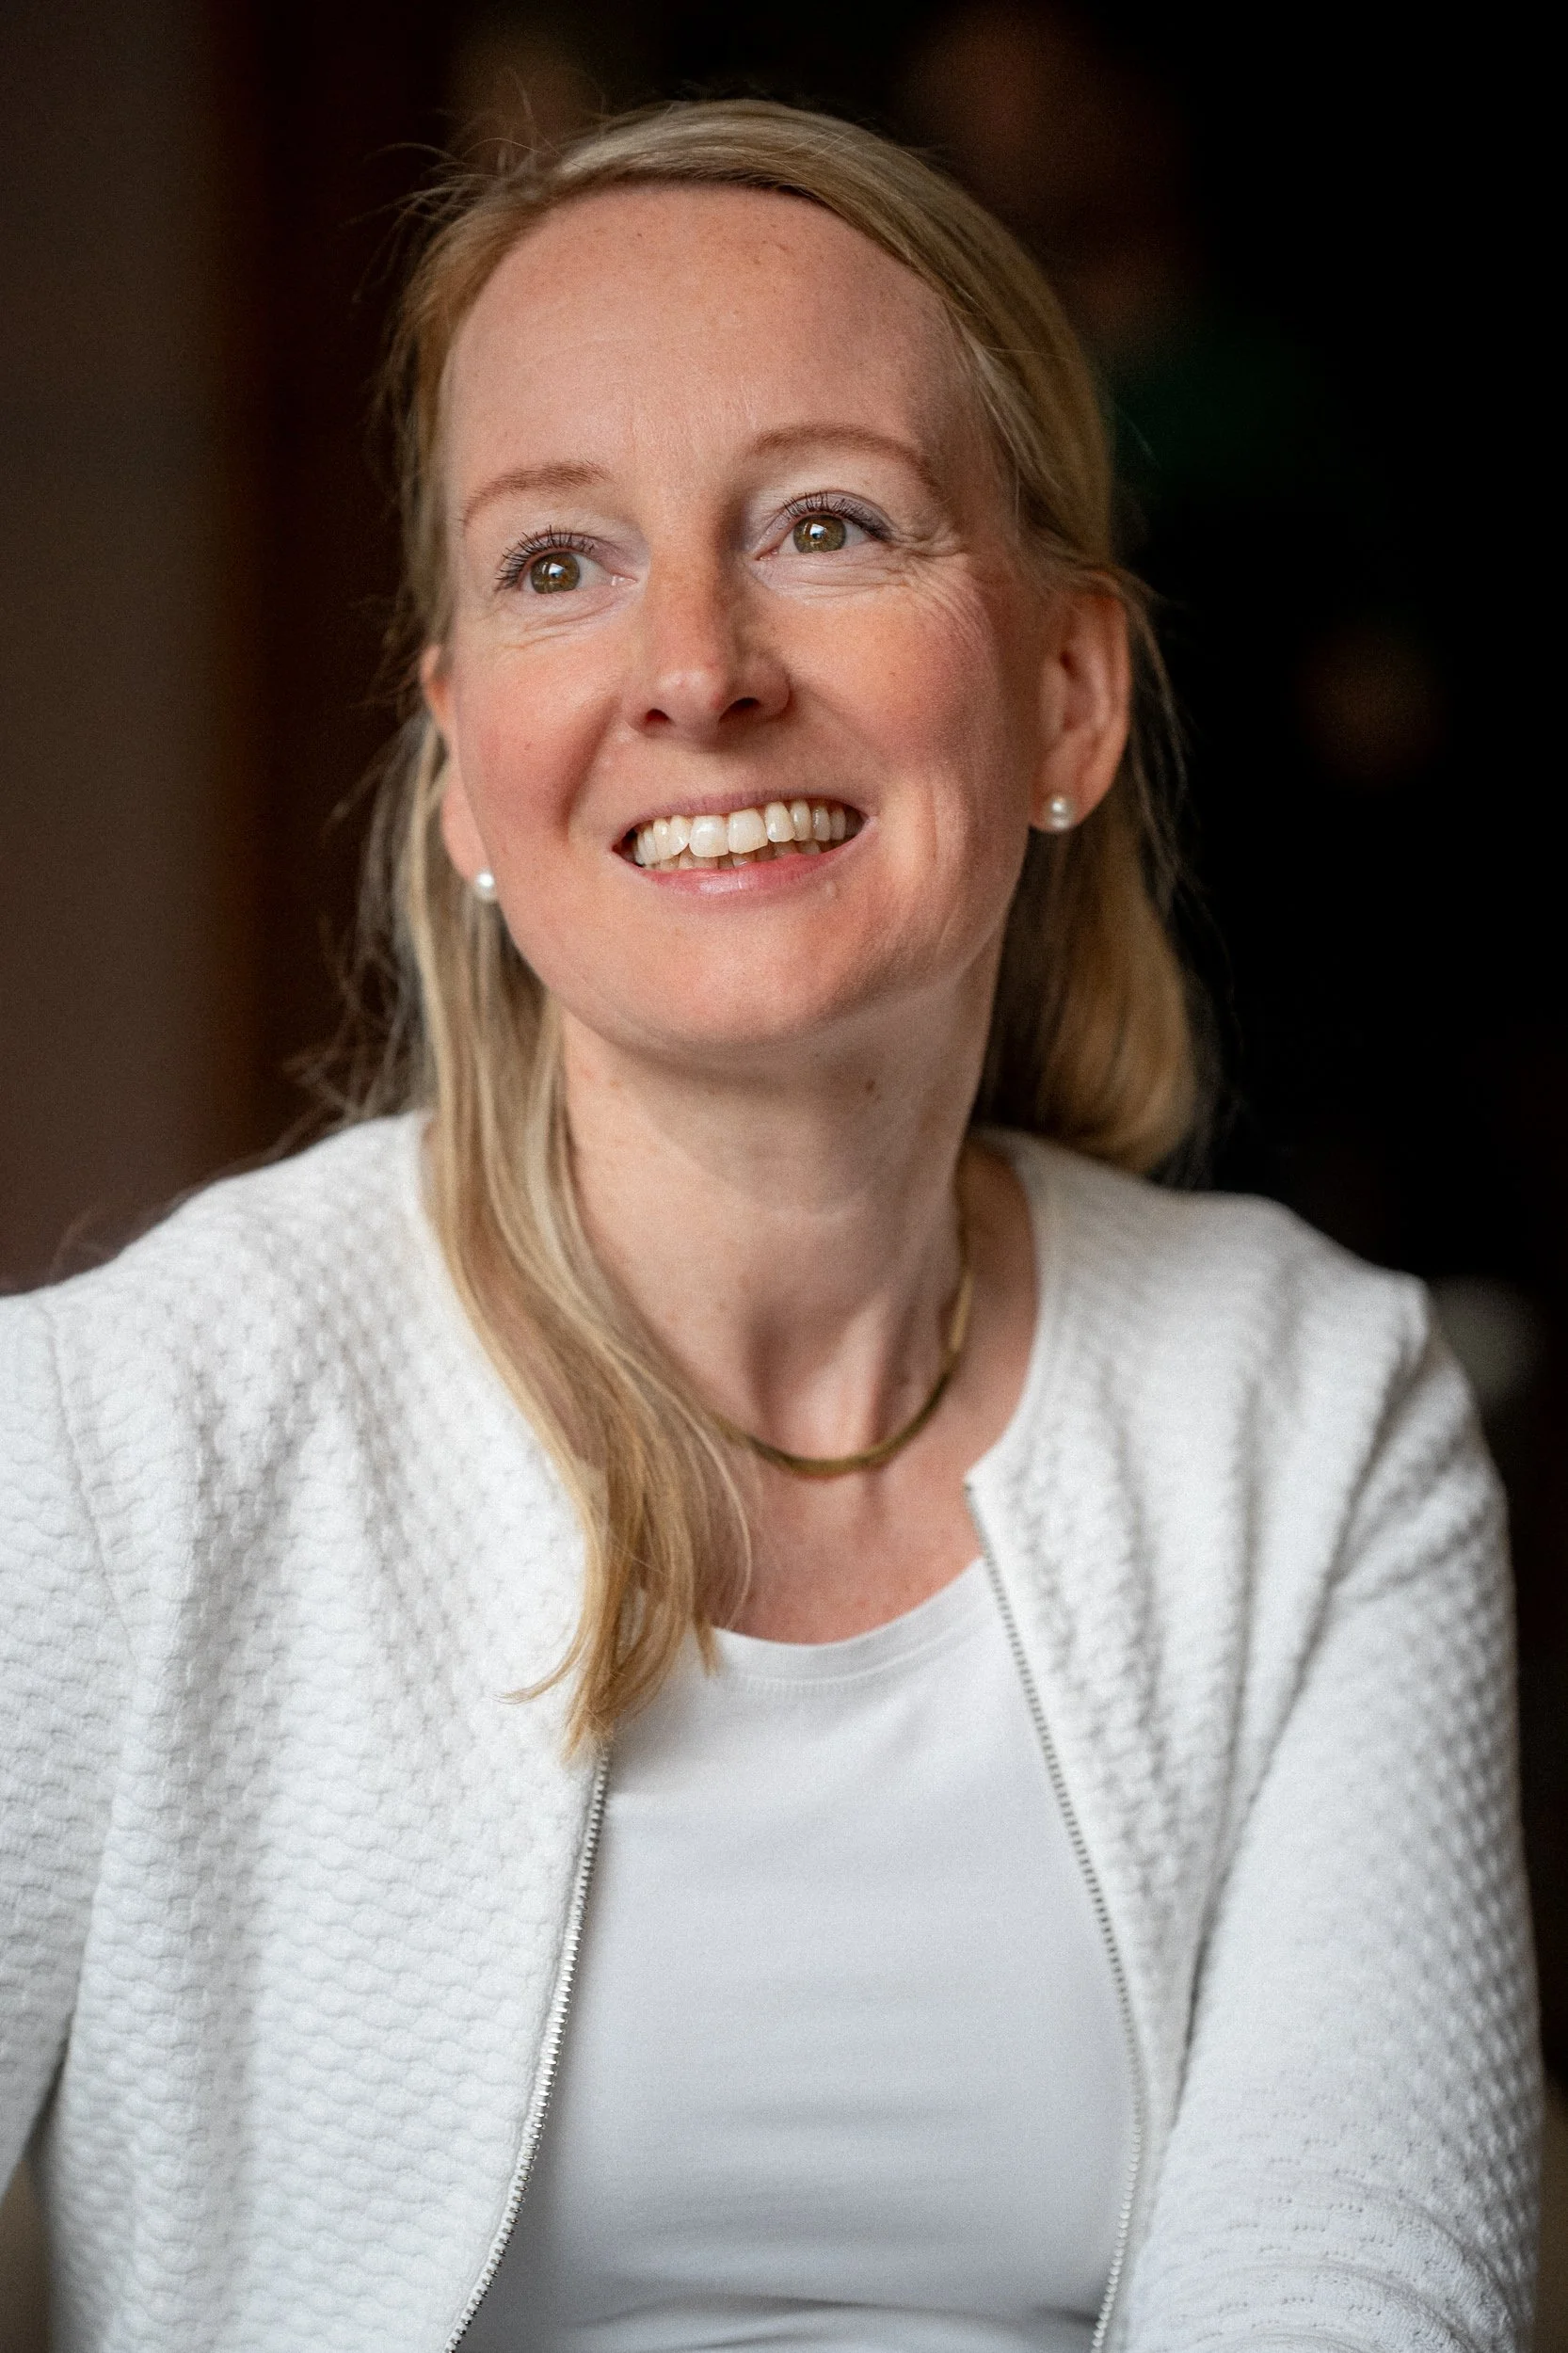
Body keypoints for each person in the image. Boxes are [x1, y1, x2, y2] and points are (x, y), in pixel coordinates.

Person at [0, 100, 1540, 2352]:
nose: (694, 667)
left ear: (1067, 692)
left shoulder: (1314, 1417)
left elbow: (1351, 2295)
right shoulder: (107, 1432)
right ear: (464, 759)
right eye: (557, 560)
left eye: (826, 523)